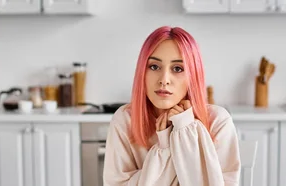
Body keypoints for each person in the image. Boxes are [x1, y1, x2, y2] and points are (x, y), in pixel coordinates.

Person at [102, 26, 241, 186]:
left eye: (177, 68)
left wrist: (185, 131)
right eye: (154, 66)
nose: (164, 79)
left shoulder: (218, 121)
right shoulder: (125, 119)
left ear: (192, 76)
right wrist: (165, 147)